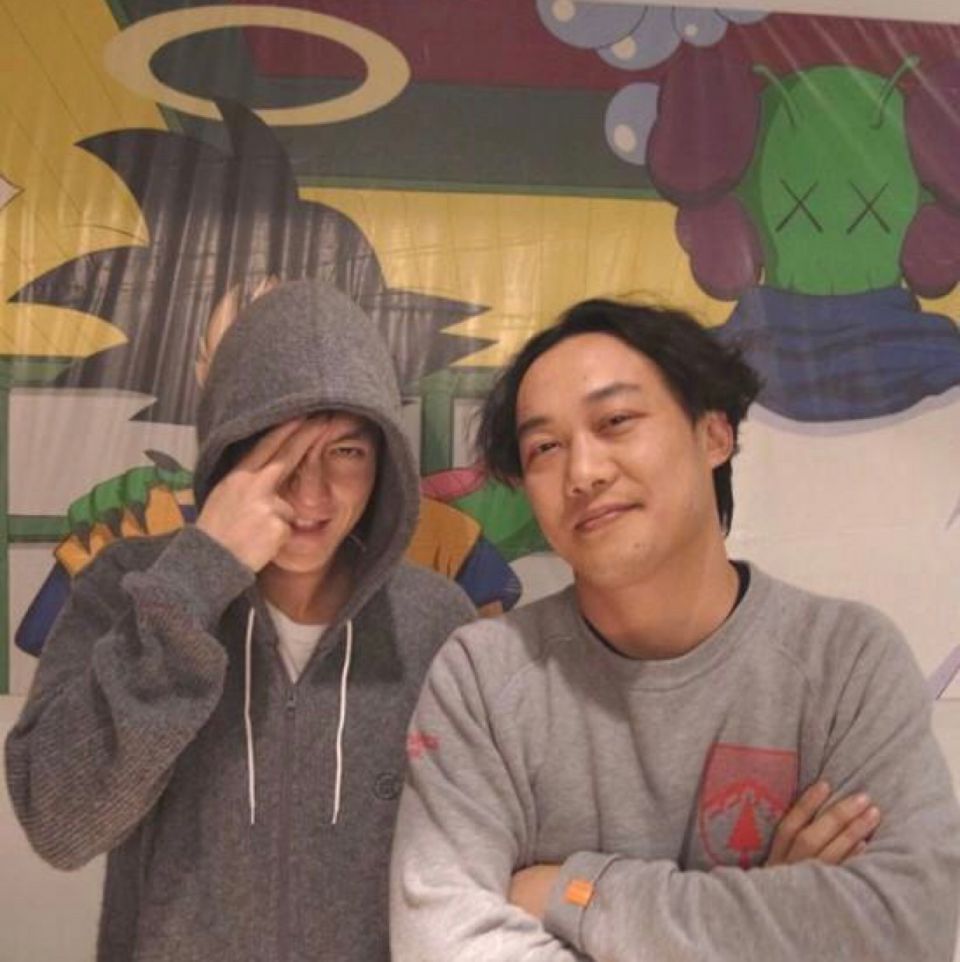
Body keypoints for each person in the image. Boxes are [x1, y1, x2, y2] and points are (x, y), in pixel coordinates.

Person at [390, 298, 960, 961]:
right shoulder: (484, 680)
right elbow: (442, 945)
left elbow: (905, 928)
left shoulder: (845, 664)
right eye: (545, 448)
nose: (583, 472)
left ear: (714, 434)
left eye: (616, 421)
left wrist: (574, 892)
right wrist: (772, 915)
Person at [6, 279, 475, 961]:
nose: (309, 494)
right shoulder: (126, 585)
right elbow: (60, 823)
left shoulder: (435, 621)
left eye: (345, 451)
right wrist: (198, 579)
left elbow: (469, 874)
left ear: (384, 463)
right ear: (225, 452)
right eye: (275, 448)